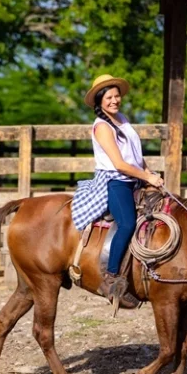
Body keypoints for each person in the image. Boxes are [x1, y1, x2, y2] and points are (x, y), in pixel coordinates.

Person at [71, 74, 164, 307]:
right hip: (115, 181)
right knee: (127, 223)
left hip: (133, 177)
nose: (114, 100)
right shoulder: (102, 126)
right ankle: (111, 277)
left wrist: (151, 176)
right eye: (109, 97)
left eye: (117, 95)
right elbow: (120, 164)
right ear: (99, 101)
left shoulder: (121, 119)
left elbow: (135, 157)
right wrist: (146, 176)